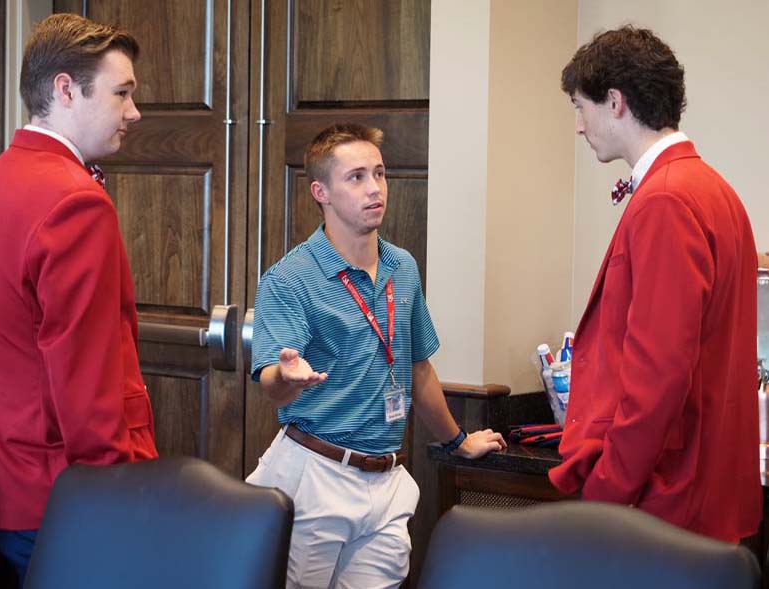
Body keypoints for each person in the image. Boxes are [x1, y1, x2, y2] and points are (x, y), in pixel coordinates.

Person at [247, 123, 506, 588]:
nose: (374, 189)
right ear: (320, 191)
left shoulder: (401, 267)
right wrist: (289, 377)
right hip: (315, 476)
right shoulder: (290, 278)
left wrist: (457, 441)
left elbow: (417, 368)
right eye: (356, 177)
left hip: (387, 480)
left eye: (380, 174)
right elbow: (271, 382)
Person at [0, 13, 158, 586]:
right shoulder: (75, 202)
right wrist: (114, 502)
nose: (133, 112)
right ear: (66, 89)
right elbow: (86, 385)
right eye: (122, 93)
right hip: (64, 497)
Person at [548, 25, 760, 543]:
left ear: (615, 101)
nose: (580, 126)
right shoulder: (715, 190)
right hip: (709, 489)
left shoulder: (667, 199)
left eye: (582, 107)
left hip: (667, 497)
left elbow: (659, 373)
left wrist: (606, 492)